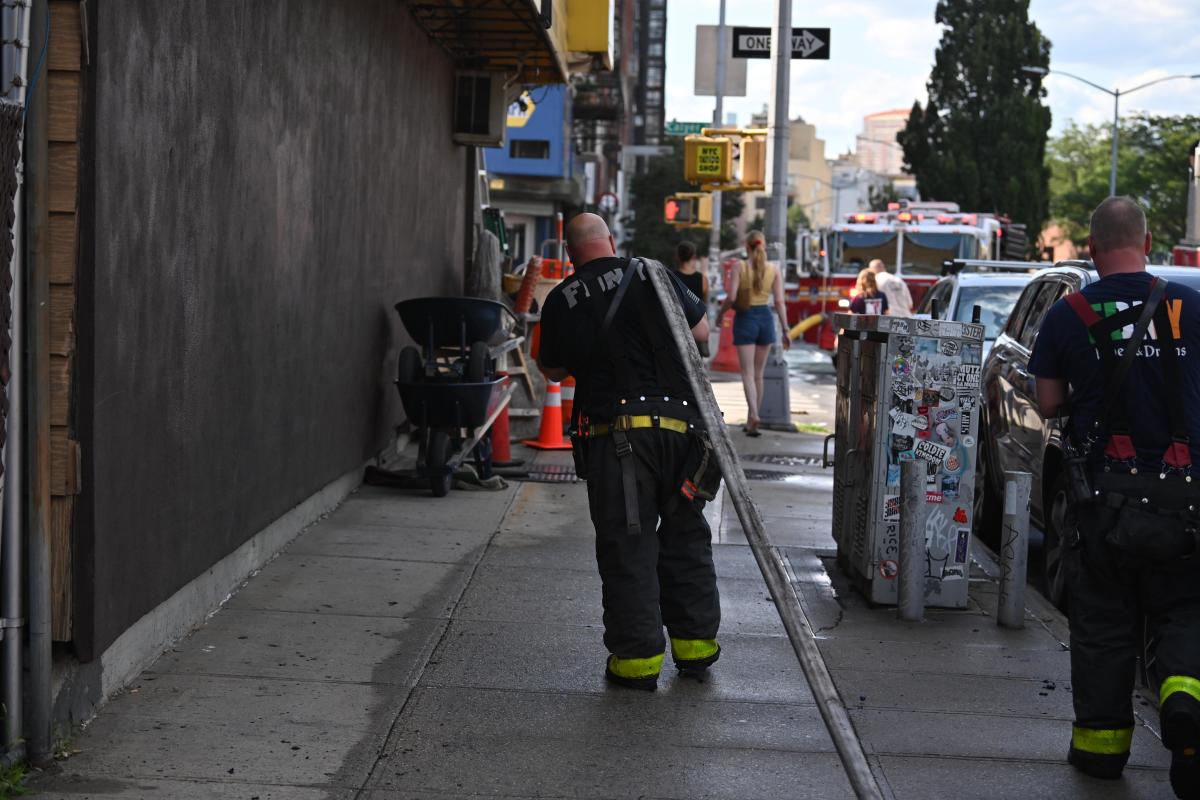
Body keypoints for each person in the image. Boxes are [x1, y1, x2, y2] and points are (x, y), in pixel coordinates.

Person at [1029, 196, 1200, 799]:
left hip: (1103, 502)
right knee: (1184, 612)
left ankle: (1101, 751)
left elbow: (1049, 404)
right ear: (1148, 240)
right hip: (1186, 503)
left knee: (1103, 624)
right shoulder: (1193, 306)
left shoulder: (1069, 313)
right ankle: (1184, 704)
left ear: (1093, 249)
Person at [537, 213, 722, 692]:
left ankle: (637, 663)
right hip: (685, 434)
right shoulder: (654, 274)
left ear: (570, 253)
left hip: (616, 439)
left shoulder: (562, 299)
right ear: (612, 242)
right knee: (685, 533)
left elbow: (553, 372)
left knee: (628, 542)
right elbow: (701, 337)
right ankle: (696, 649)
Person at [717, 230, 790, 437]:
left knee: (747, 373)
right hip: (766, 319)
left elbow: (731, 297)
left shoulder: (739, 267)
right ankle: (751, 421)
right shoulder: (774, 269)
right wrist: (785, 330)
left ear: (746, 246)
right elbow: (779, 302)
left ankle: (755, 415)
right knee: (759, 375)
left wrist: (720, 315)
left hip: (746, 319)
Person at [674, 240, 710, 357]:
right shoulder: (702, 279)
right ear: (694, 257)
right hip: (696, 325)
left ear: (678, 257)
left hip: (677, 325)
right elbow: (704, 303)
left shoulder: (672, 277)